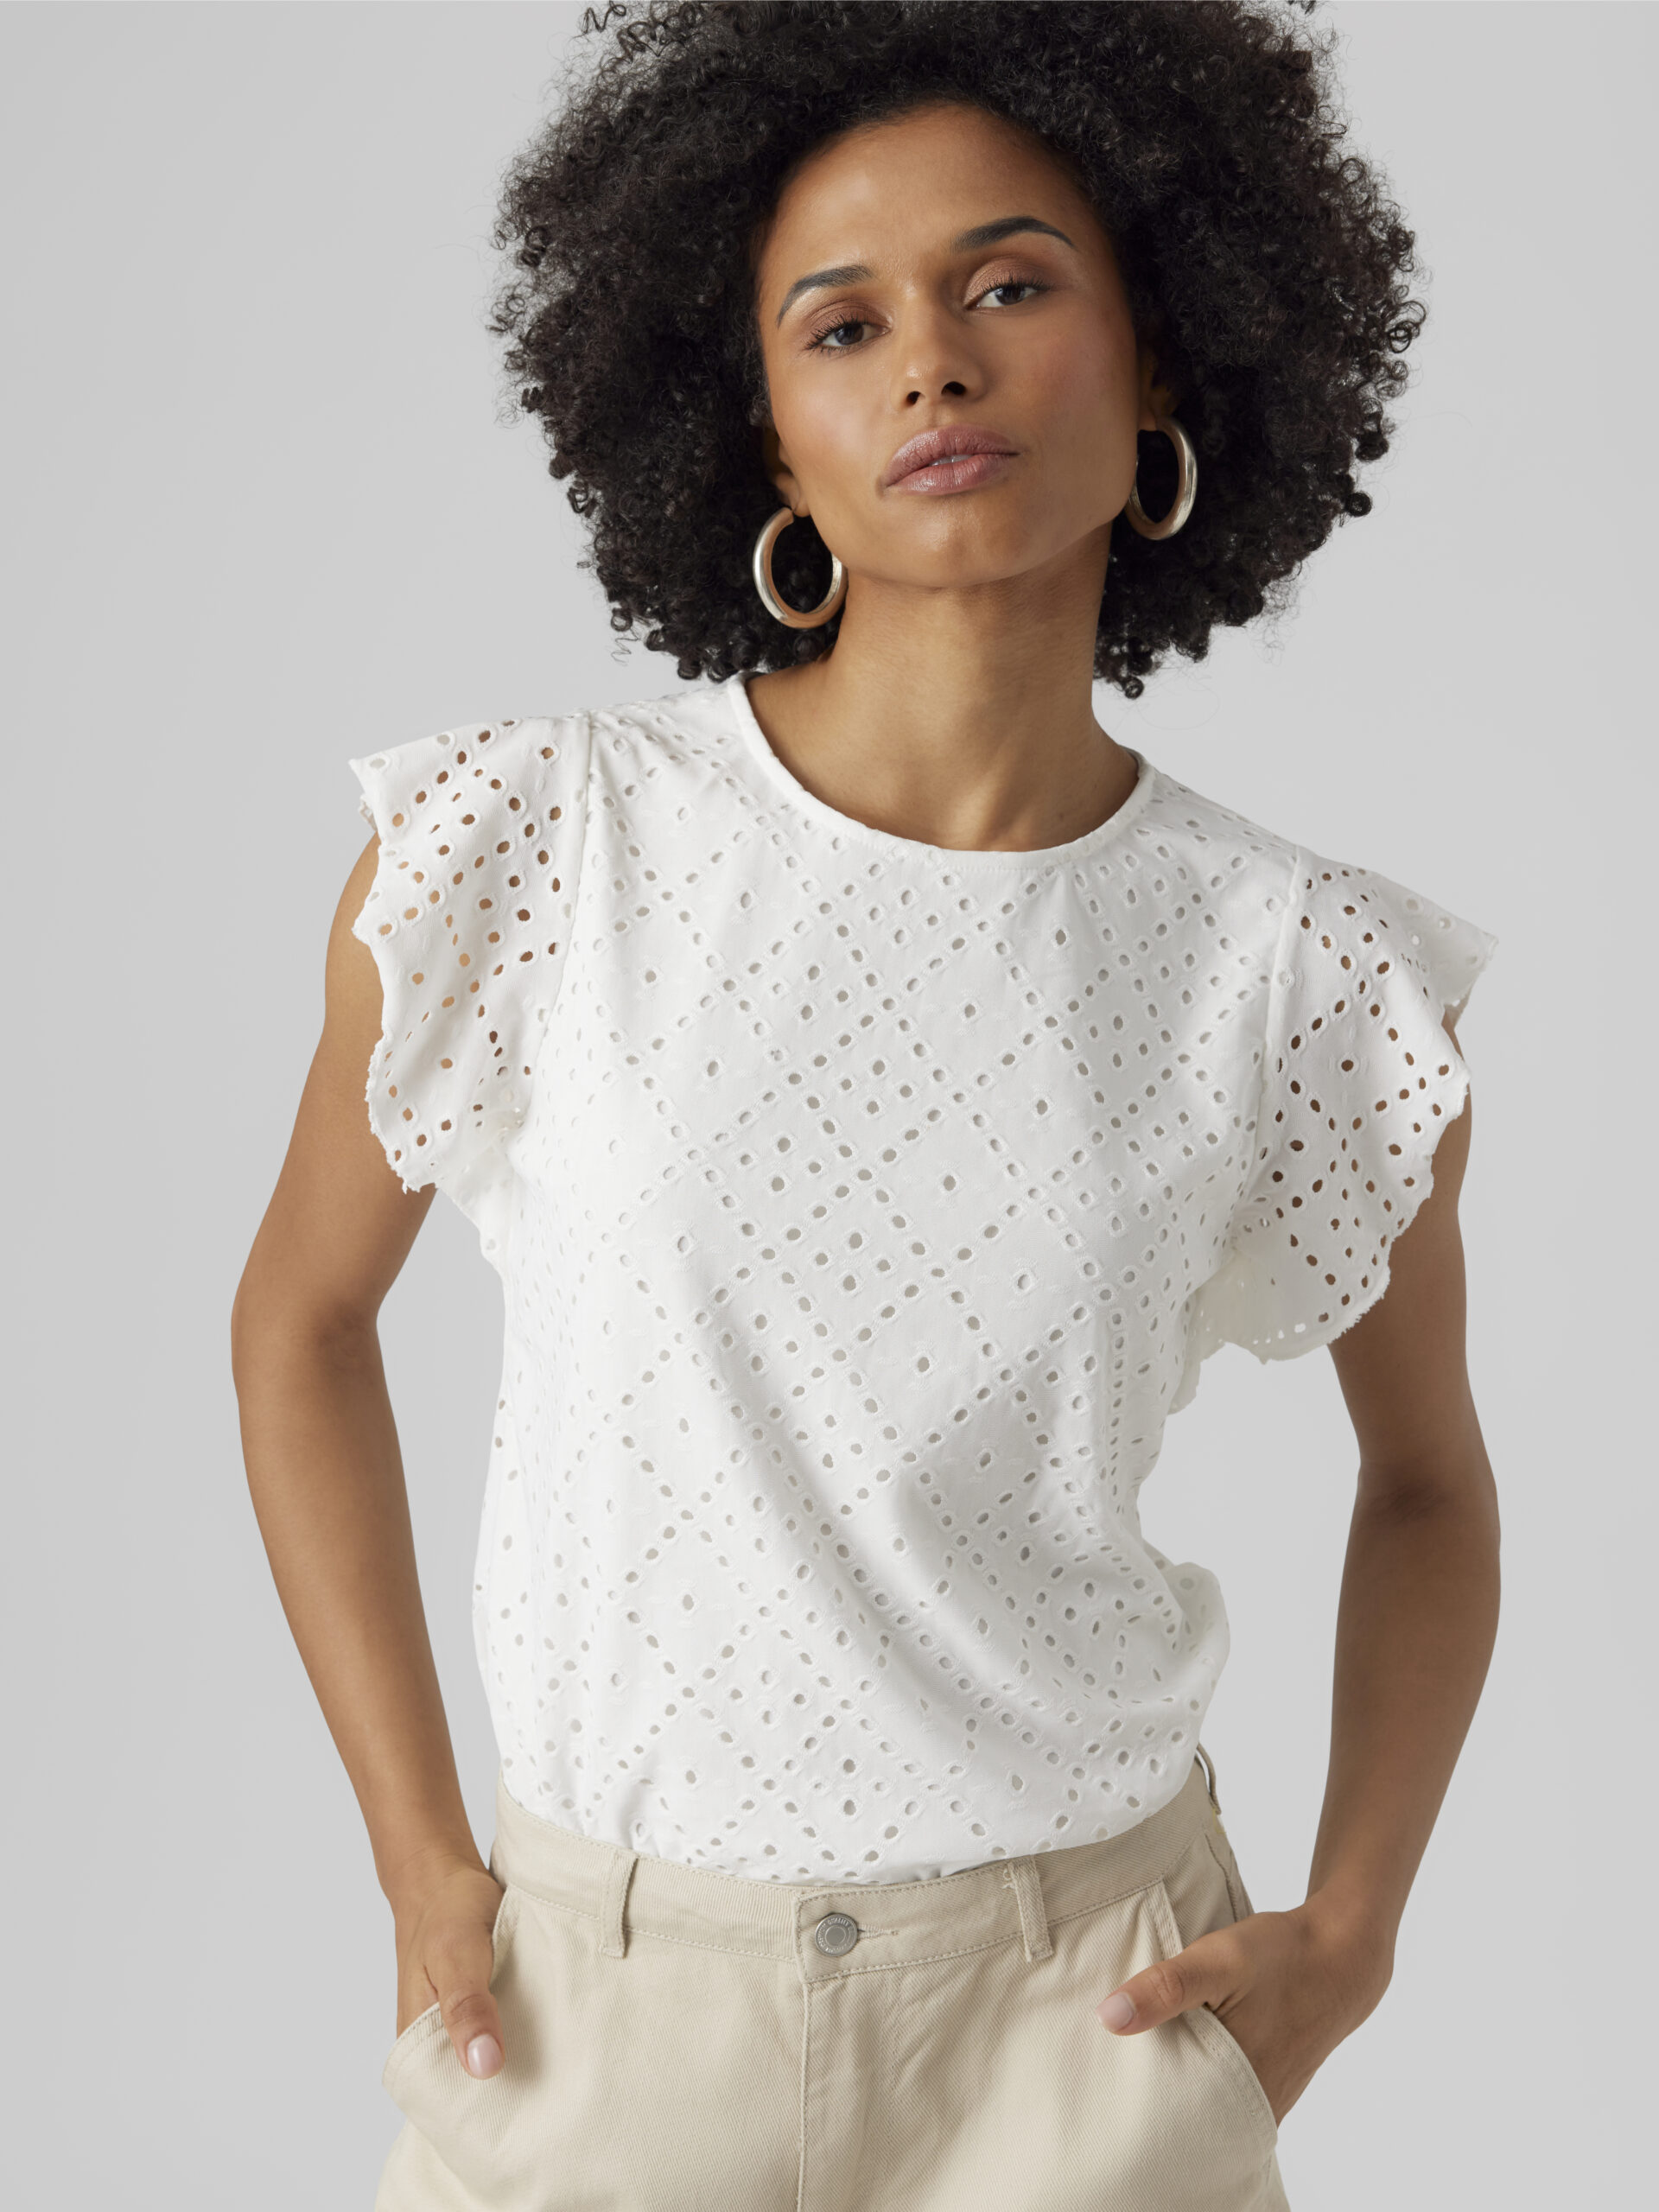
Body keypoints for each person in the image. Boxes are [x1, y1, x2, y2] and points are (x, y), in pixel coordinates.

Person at [231, 5, 1501, 2207]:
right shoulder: (534, 845)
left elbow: (1428, 1480)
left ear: (1165, 358)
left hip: (1087, 2031)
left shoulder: (1300, 971)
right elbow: (299, 1322)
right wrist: (423, 1860)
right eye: (843, 324)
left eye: (1008, 283)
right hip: (601, 2019)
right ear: (767, 438)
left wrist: (1355, 1925)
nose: (931, 364)